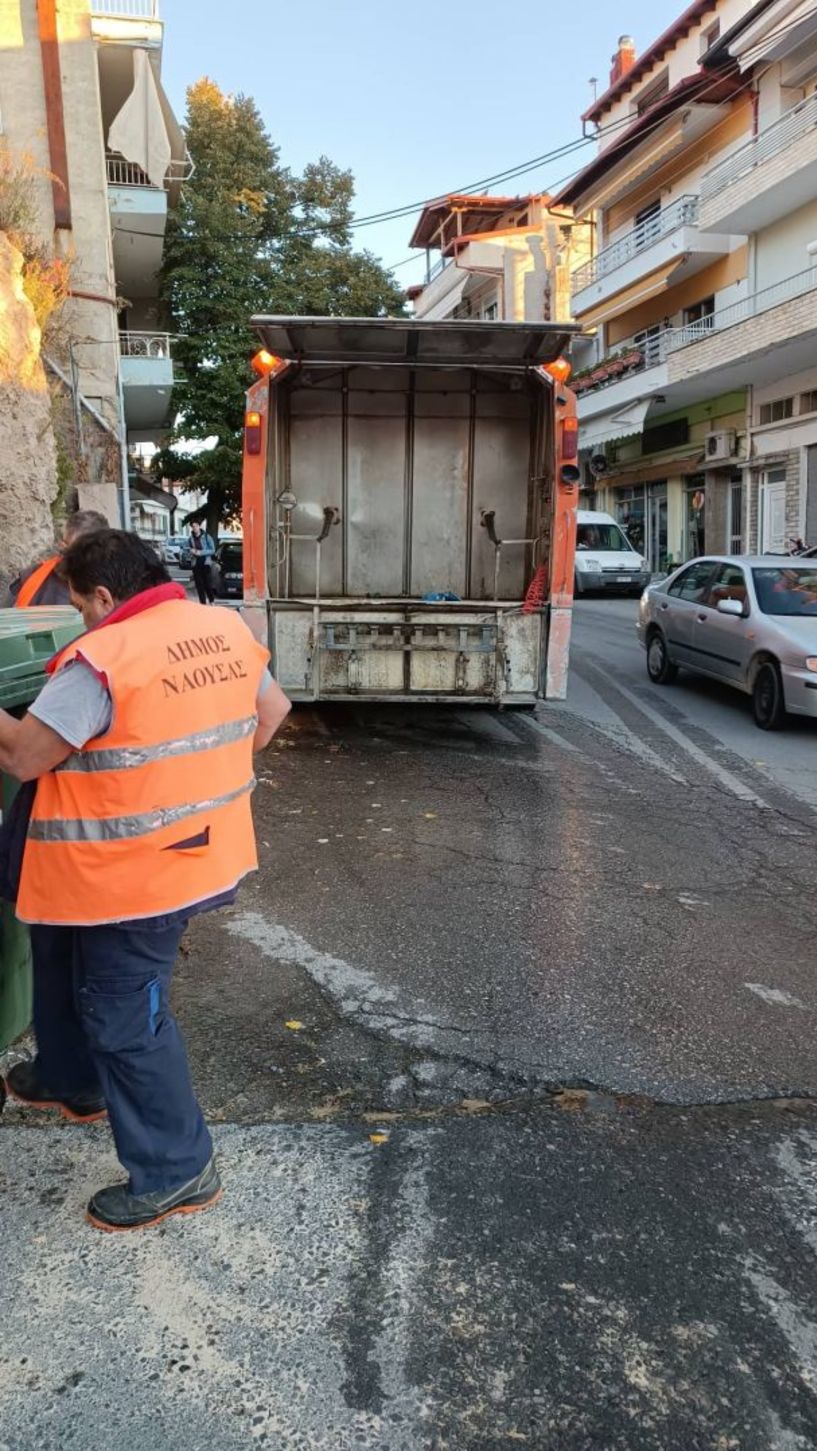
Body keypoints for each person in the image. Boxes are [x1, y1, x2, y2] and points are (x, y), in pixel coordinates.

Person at [0, 531, 291, 1231]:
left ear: (103, 595)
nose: (80, 620)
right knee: (59, 952)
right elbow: (272, 712)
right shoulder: (221, 627)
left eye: (78, 606)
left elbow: (24, 756)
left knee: (124, 1011)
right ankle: (71, 1078)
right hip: (183, 851)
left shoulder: (104, 658)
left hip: (130, 875)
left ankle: (178, 1166)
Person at [7, 509, 109, 608]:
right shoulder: (31, 577)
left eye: (78, 551)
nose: (64, 551)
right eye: (64, 546)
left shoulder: (115, 588)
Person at [189, 521, 216, 605]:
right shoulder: (190, 539)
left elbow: (212, 550)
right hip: (196, 564)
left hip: (205, 563)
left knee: (207, 584)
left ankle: (211, 601)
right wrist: (191, 551)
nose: (195, 528)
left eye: (196, 526)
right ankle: (203, 604)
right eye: (193, 526)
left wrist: (201, 552)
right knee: (199, 585)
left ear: (199, 526)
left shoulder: (207, 537)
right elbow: (189, 549)